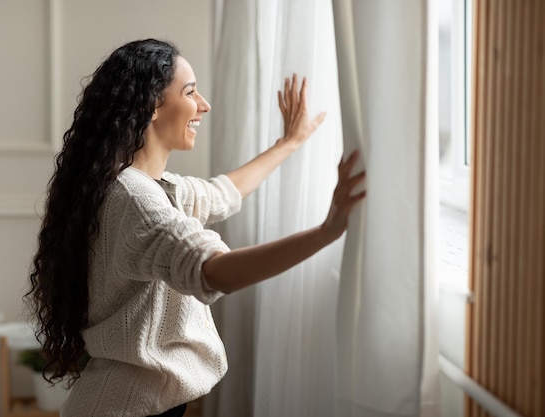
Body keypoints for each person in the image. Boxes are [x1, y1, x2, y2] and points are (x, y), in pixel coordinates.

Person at [26, 38, 365, 417]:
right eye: (190, 92)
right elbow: (212, 271)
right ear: (151, 105)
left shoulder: (144, 186)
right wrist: (327, 232)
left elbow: (224, 192)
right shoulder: (136, 200)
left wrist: (289, 142)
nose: (203, 104)